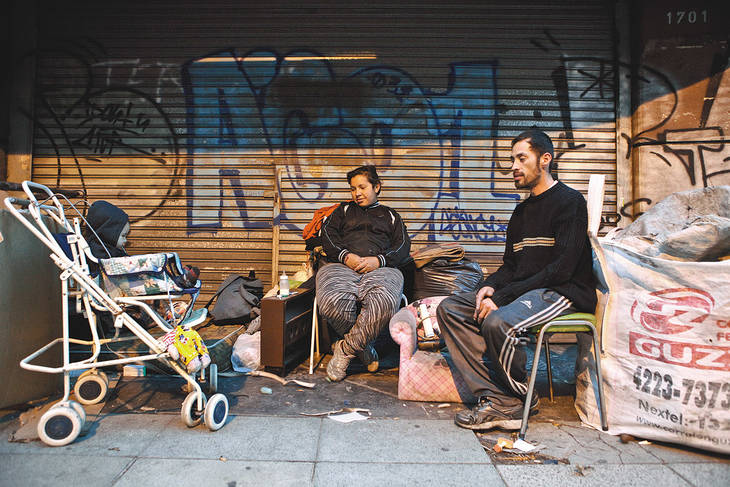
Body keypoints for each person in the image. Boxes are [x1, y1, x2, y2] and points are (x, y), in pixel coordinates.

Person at [436, 129, 597, 431]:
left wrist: (502, 298)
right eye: (513, 160)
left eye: (522, 159)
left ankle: (516, 395)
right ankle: (501, 397)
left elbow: (561, 269)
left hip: (562, 291)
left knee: (499, 322)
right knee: (451, 309)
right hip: (527, 292)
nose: (513, 166)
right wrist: (490, 287)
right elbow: (511, 266)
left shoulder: (570, 202)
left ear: (545, 159)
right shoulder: (521, 212)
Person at [318, 165, 411, 381]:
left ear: (376, 187)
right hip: (342, 266)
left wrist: (379, 261)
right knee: (330, 301)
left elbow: (403, 245)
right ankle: (364, 348)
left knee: (385, 302)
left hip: (382, 268)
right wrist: (345, 256)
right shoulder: (342, 211)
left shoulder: (391, 215)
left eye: (362, 187)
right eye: (353, 189)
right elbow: (327, 236)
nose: (357, 193)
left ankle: (346, 349)